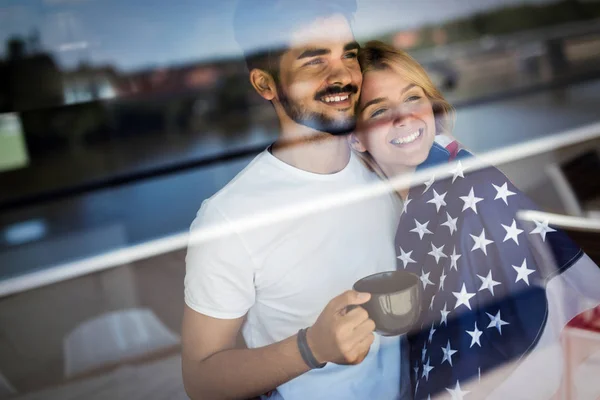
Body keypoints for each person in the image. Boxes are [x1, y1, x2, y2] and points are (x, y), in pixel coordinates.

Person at [182, 3, 408, 400]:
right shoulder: (228, 218)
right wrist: (311, 348)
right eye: (314, 60)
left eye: (348, 55)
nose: (342, 75)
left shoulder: (388, 167)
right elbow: (201, 379)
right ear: (265, 85)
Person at [349, 40, 600, 399]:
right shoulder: (380, 211)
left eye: (413, 98)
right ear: (356, 138)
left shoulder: (474, 192)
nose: (403, 117)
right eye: (378, 111)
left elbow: (498, 345)